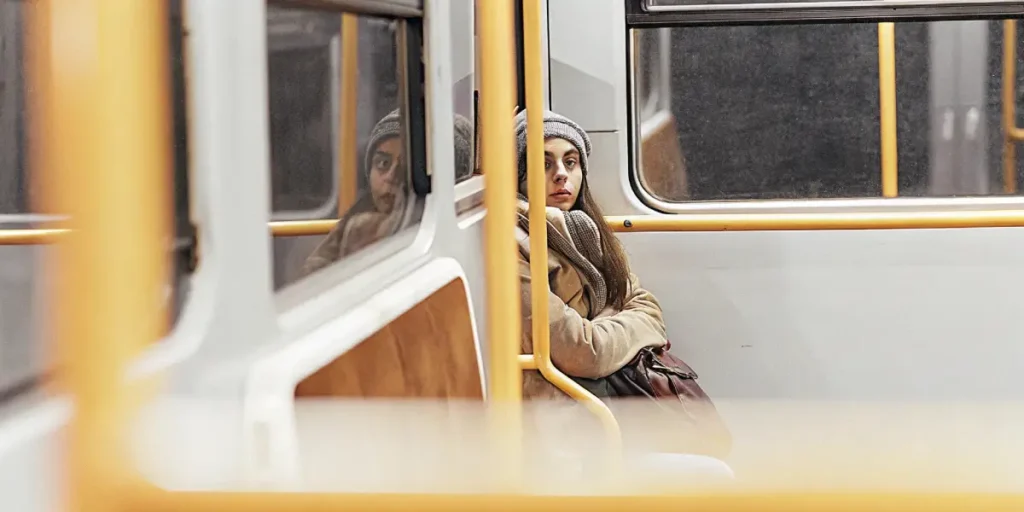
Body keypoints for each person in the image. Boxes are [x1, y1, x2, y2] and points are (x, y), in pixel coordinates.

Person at [513, 109, 731, 470]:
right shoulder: (513, 247)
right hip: (571, 429)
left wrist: (602, 330)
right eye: (544, 164)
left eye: (571, 162)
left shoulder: (588, 231)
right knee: (715, 473)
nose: (561, 174)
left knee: (711, 455)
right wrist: (617, 324)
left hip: (611, 410)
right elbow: (584, 351)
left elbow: (649, 310)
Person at [302, 110, 474, 275]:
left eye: (408, 169)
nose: (391, 176)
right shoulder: (358, 219)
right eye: (383, 163)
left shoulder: (452, 237)